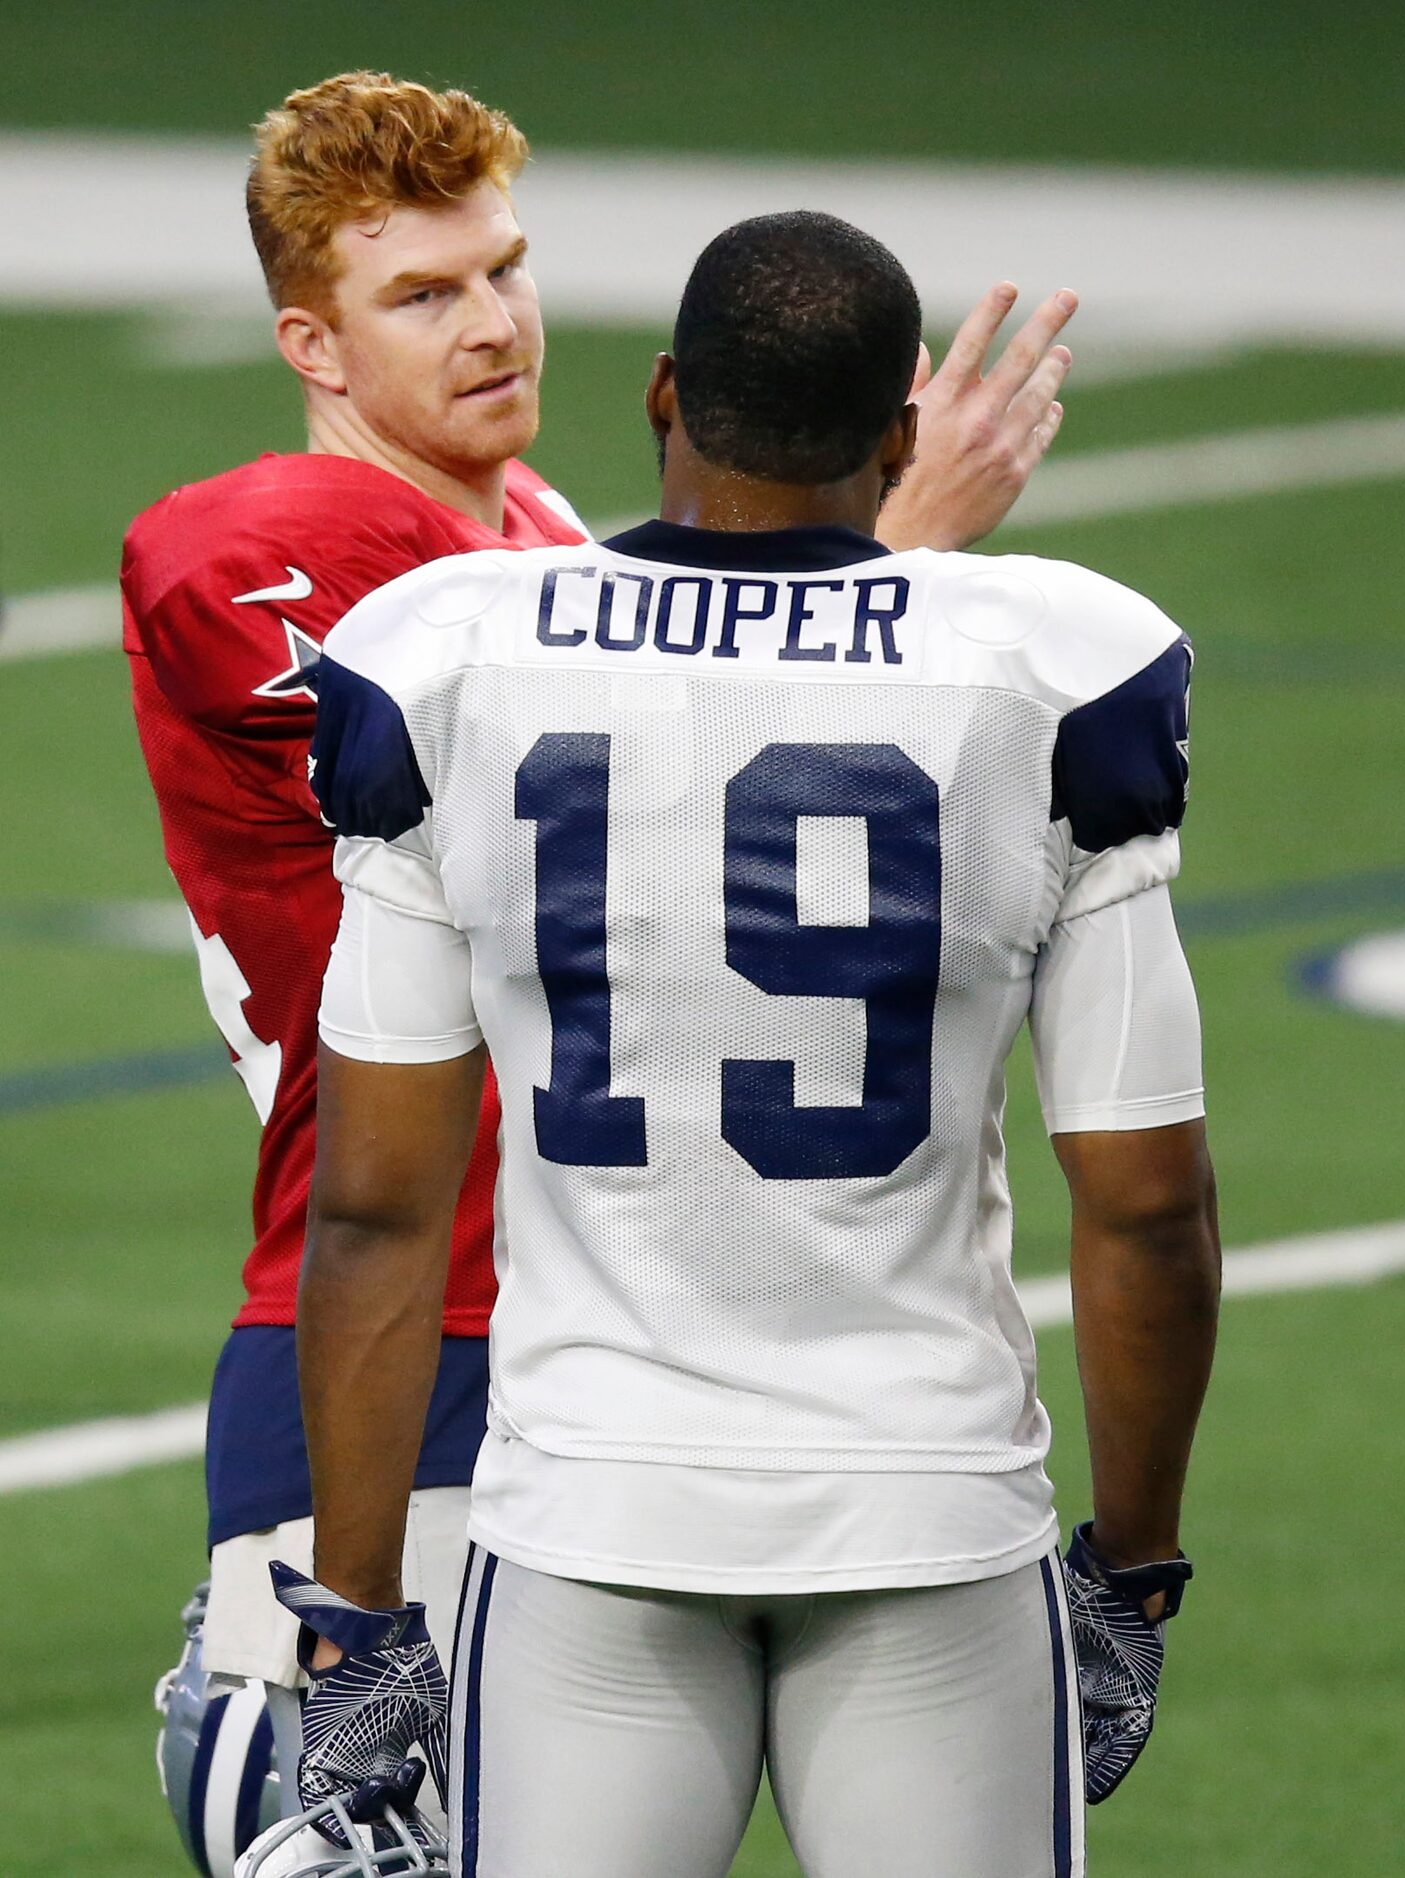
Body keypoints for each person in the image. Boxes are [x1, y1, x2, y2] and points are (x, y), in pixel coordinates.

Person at [128, 70, 1081, 1877]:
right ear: (309, 348)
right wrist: (890, 568)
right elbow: (588, 759)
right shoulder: (280, 551)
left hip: (628, 1322)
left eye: (504, 269)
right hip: (417, 1337)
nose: (489, 324)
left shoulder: (557, 553)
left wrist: (842, 571)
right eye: (420, 296)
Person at [281, 209, 1221, 1878]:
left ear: (661, 394)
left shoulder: (449, 655)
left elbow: (371, 1207)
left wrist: (359, 1618)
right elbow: (1144, 1201)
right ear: (898, 437)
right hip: (924, 1498)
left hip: (589, 1510)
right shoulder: (1054, 666)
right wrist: (1131, 1570)